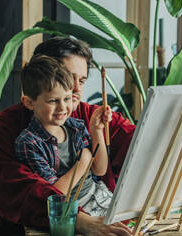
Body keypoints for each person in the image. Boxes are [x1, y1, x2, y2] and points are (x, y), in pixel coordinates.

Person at [0, 36, 137, 236]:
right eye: (67, 78)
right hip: (22, 233)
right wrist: (85, 223)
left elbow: (138, 141)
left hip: (98, 216)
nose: (75, 89)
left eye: (81, 80)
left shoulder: (88, 116)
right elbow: (24, 194)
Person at [15, 55, 113, 216]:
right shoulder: (29, 143)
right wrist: (82, 163)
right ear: (29, 103)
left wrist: (96, 131)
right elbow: (54, 194)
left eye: (67, 98)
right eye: (53, 101)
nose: (62, 107)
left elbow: (100, 170)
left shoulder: (76, 128)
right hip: (72, 212)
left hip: (99, 196)